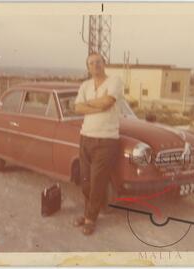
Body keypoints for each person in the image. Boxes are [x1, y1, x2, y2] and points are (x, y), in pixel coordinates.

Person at [73, 52, 124, 235]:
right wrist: (97, 104)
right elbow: (77, 107)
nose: (95, 65)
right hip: (85, 137)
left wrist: (89, 105)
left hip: (106, 140)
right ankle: (88, 213)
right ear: (88, 67)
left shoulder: (114, 81)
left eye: (98, 62)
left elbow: (107, 103)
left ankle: (90, 219)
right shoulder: (85, 85)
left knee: (97, 182)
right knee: (85, 181)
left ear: (104, 63)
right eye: (91, 63)